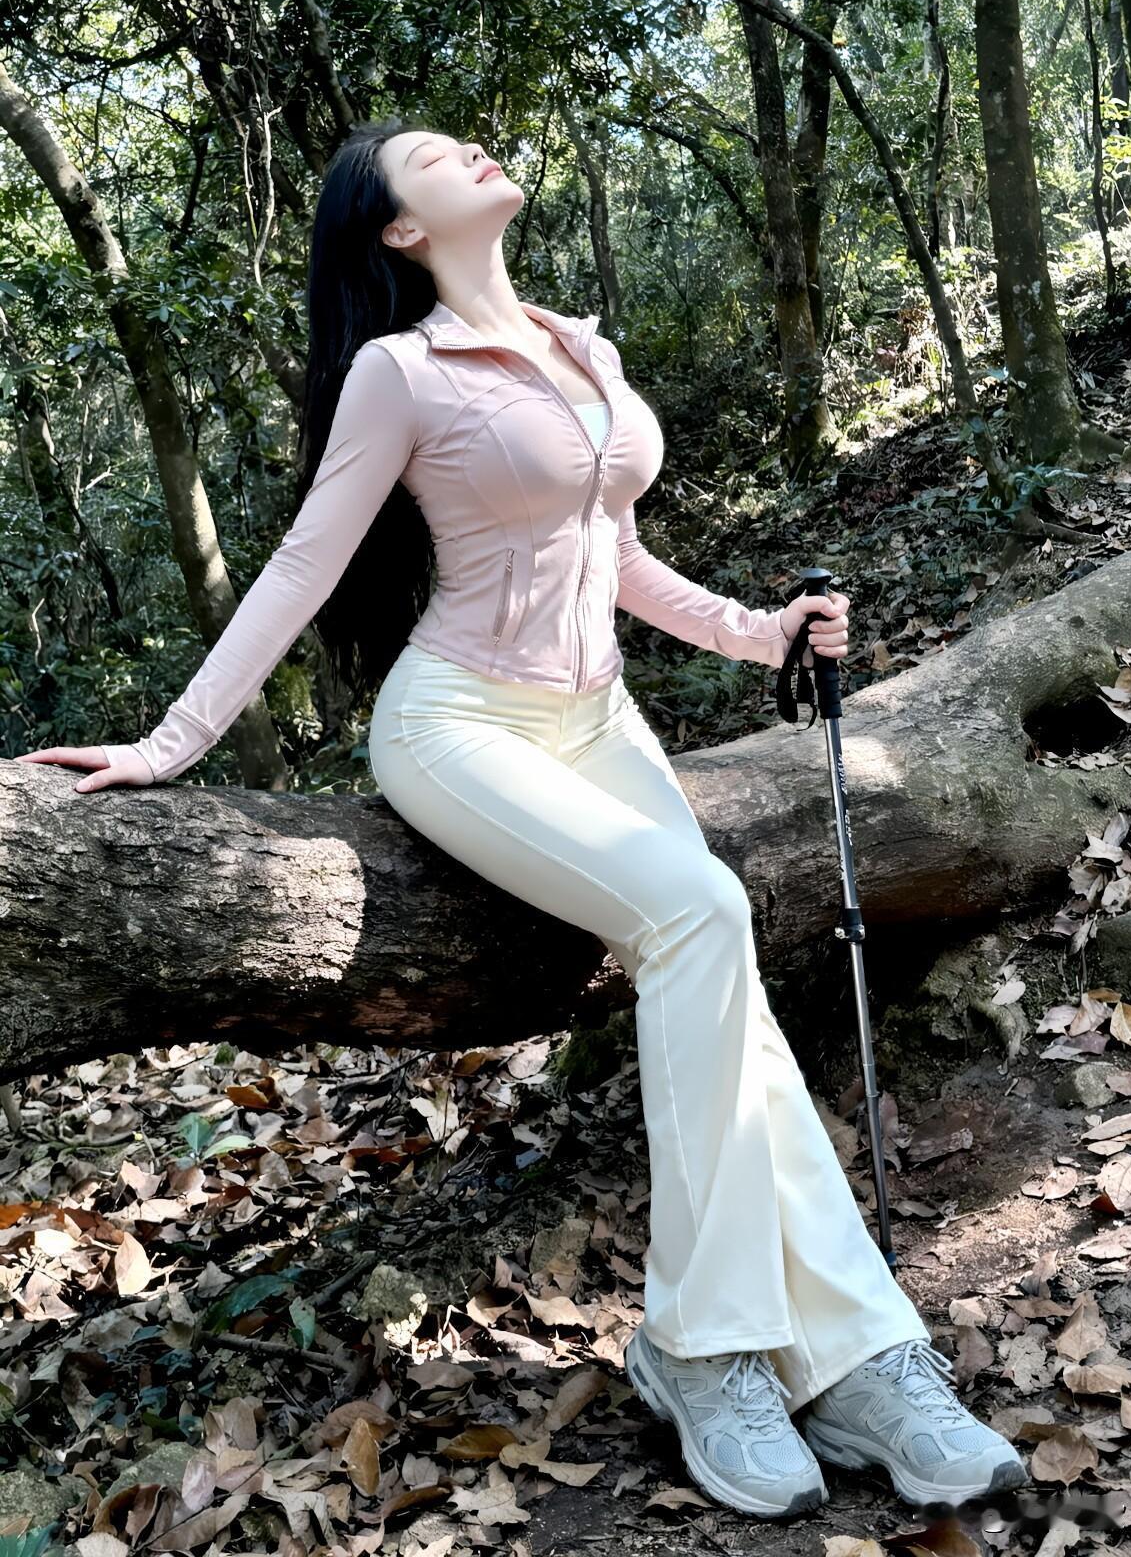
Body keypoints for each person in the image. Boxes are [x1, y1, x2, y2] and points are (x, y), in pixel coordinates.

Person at [17, 118, 1027, 1520]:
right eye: (436, 155)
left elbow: (614, 556)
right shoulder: (400, 371)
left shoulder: (578, 347)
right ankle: (705, 1347)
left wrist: (762, 631)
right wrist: (170, 742)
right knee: (701, 911)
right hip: (459, 726)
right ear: (398, 229)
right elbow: (306, 561)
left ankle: (855, 1359)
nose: (476, 152)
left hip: (602, 722)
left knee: (723, 993)